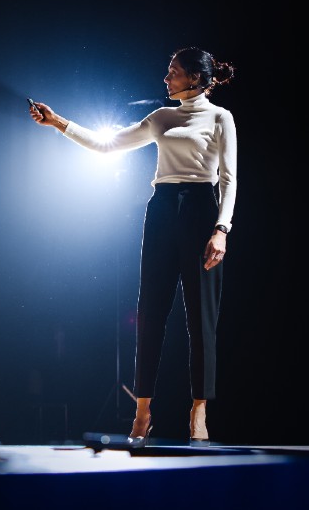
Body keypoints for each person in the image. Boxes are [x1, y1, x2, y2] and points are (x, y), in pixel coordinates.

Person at [29, 47, 237, 446]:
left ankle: (199, 411)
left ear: (194, 79)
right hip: (161, 210)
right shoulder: (161, 117)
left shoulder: (219, 118)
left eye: (173, 73)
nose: (165, 79)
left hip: (200, 211)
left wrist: (221, 229)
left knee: (201, 319)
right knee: (150, 312)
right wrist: (58, 122)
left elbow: (229, 178)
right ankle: (142, 413)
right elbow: (109, 146)